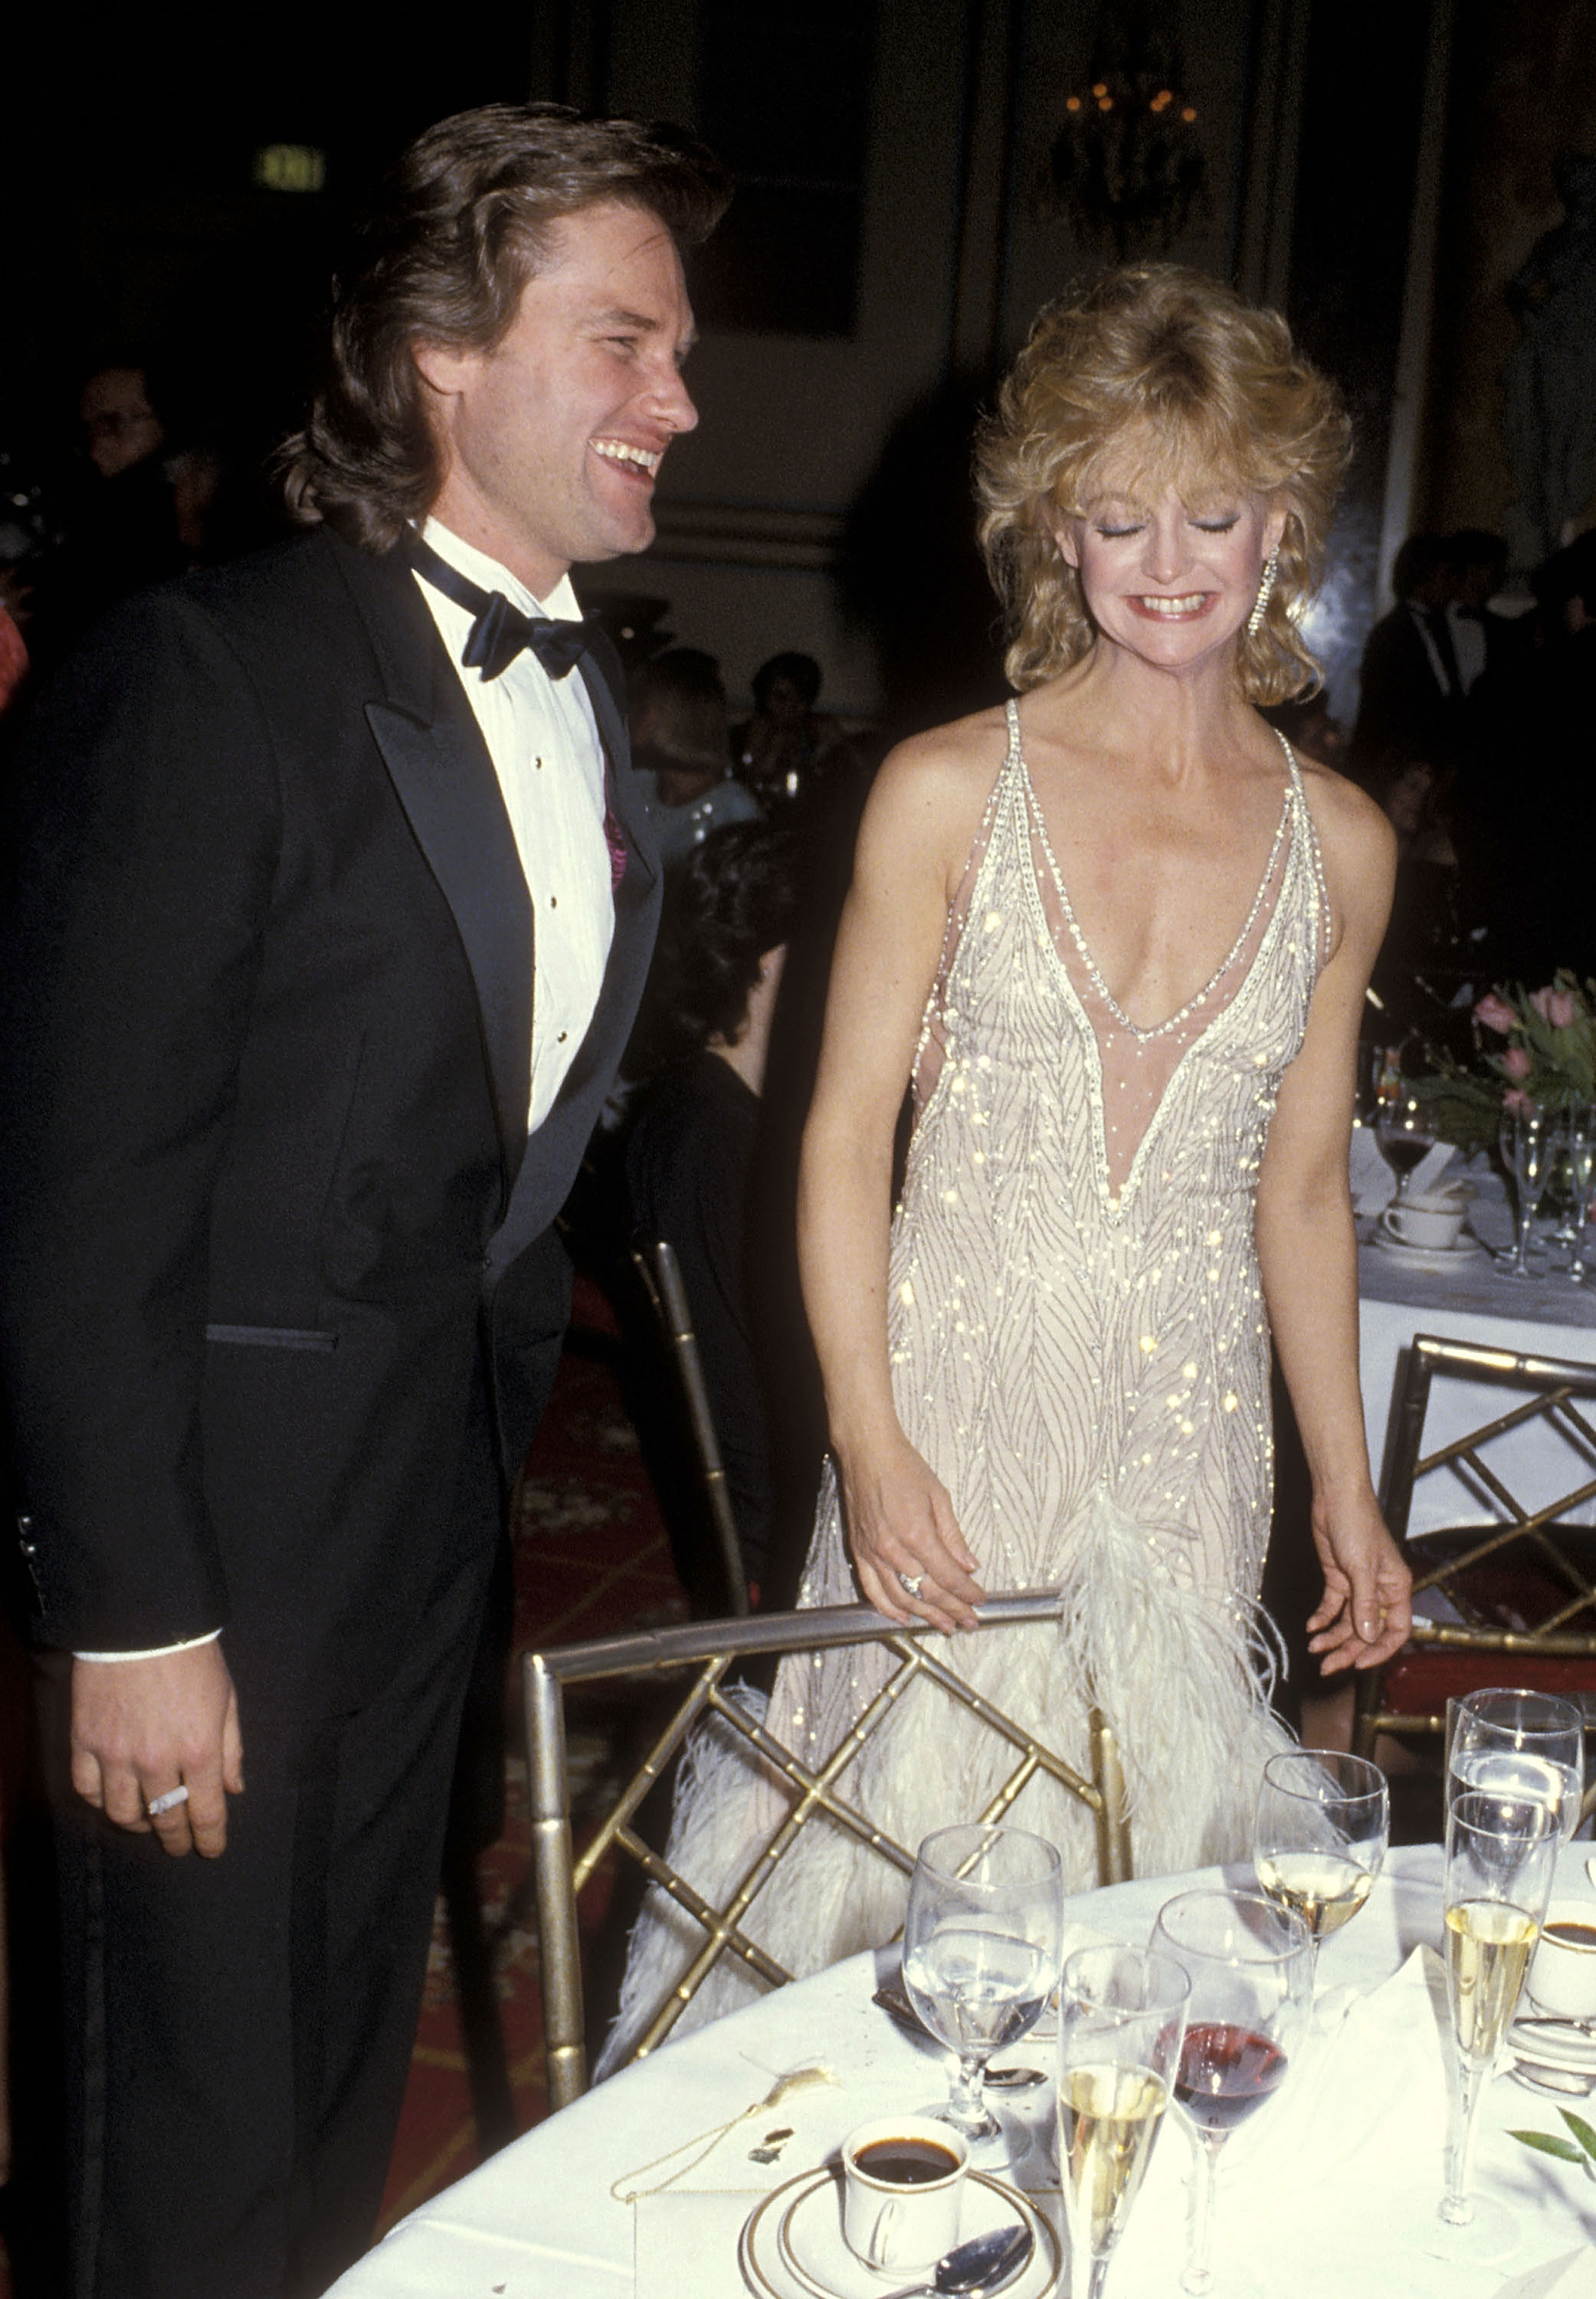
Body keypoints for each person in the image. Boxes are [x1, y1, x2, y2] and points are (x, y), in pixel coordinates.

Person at [0, 102, 727, 2298]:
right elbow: (73, 1189)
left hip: (429, 1510)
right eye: (624, 345)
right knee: (189, 2141)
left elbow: (496, 1092)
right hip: (208, 1556)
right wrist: (130, 1619)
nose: (678, 402)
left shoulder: (580, 683)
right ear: (441, 354)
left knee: (330, 2098)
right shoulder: (210, 675)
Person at [607, 264, 1412, 2057]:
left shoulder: (1337, 843)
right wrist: (867, 1441)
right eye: (1116, 516)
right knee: (880, 1874)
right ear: (1051, 529)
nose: (1167, 558)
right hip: (956, 1398)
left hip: (1188, 1434)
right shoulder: (943, 789)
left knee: (1145, 1886)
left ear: (1279, 525)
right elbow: (833, 1136)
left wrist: (1345, 1488)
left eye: (1211, 512)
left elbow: (1299, 1188)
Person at [626, 822, 806, 1604]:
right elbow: (757, 1392)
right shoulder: (711, 1141)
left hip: (765, 1491)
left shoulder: (711, 1109)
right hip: (780, 1523)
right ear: (773, 966)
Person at [632, 645, 759, 867]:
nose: (628, 716)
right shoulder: (635, 785)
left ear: (676, 720)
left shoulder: (733, 811)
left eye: (641, 708)